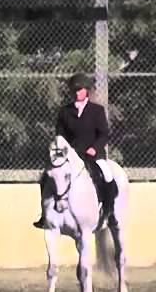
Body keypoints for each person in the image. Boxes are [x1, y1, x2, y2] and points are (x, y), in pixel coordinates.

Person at [32, 71, 116, 229]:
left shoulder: (97, 110)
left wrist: (94, 148)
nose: (78, 93)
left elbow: (104, 134)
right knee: (45, 176)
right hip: (70, 155)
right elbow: (60, 135)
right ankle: (45, 215)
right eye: (75, 90)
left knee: (108, 175)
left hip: (93, 154)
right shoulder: (65, 111)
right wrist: (59, 155)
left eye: (81, 89)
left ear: (87, 91)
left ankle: (108, 213)